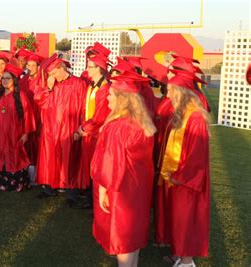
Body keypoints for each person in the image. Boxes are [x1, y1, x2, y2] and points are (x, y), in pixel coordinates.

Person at [90, 72, 156, 267]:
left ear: (122, 99)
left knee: (123, 237)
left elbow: (112, 162)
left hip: (121, 190)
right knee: (133, 235)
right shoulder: (142, 122)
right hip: (138, 189)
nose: (107, 97)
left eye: (111, 94)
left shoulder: (118, 126)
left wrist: (104, 189)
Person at [155, 69, 210, 267]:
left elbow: (197, 156)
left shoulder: (195, 118)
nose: (167, 95)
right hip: (176, 179)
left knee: (186, 220)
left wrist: (180, 176)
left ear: (181, 92)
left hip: (187, 182)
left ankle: (187, 262)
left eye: (171, 90)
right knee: (178, 220)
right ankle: (180, 256)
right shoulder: (182, 114)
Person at [34, 54, 87, 205]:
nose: (52, 76)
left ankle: (71, 192)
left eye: (54, 73)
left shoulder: (78, 84)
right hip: (51, 127)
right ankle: (48, 187)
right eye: (50, 74)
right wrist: (48, 89)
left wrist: (80, 127)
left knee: (69, 158)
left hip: (69, 127)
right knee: (49, 157)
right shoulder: (50, 85)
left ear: (62, 69)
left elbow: (84, 108)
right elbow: (40, 103)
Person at [0, 64, 35, 191]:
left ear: (14, 81)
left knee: (15, 155)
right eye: (3, 79)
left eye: (8, 78)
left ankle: (16, 184)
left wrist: (26, 133)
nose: (5, 81)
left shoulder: (21, 96)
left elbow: (28, 115)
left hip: (15, 132)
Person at [76, 53, 110, 209]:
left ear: (100, 68)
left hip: (97, 135)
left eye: (90, 67)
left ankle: (95, 201)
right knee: (89, 166)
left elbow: (100, 116)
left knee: (96, 168)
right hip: (88, 134)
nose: (86, 69)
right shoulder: (92, 86)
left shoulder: (105, 89)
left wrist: (84, 128)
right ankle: (89, 197)